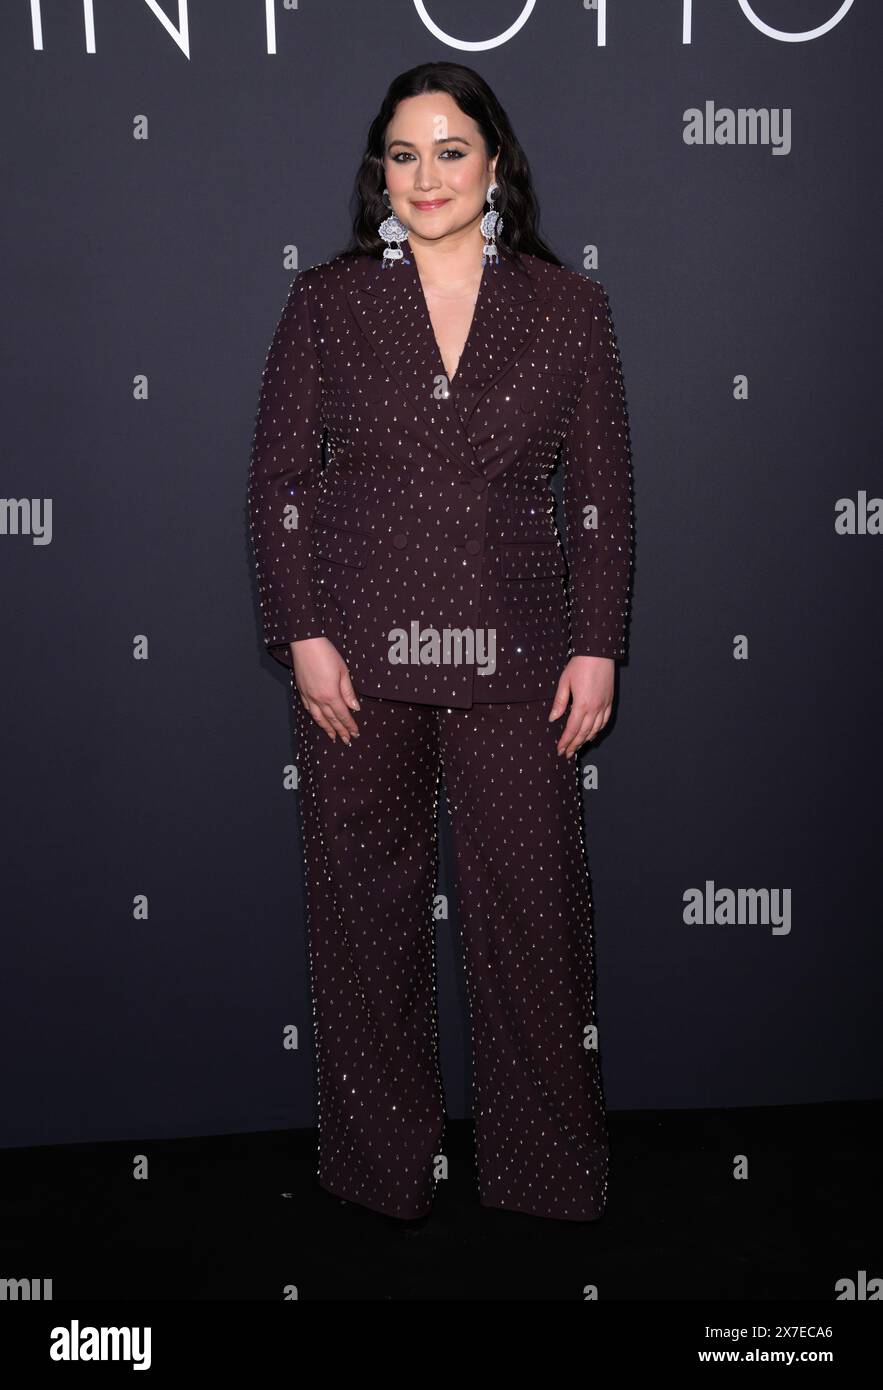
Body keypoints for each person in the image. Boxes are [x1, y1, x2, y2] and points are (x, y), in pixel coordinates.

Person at [247, 61, 634, 1227]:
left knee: (534, 924)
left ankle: (546, 1175)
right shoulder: (326, 302)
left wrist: (597, 642)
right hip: (357, 660)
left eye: (451, 149)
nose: (427, 176)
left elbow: (602, 495)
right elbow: (278, 482)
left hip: (522, 658)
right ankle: (381, 1172)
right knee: (364, 923)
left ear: (495, 163)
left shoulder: (570, 309)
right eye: (404, 154)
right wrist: (302, 632)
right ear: (381, 174)